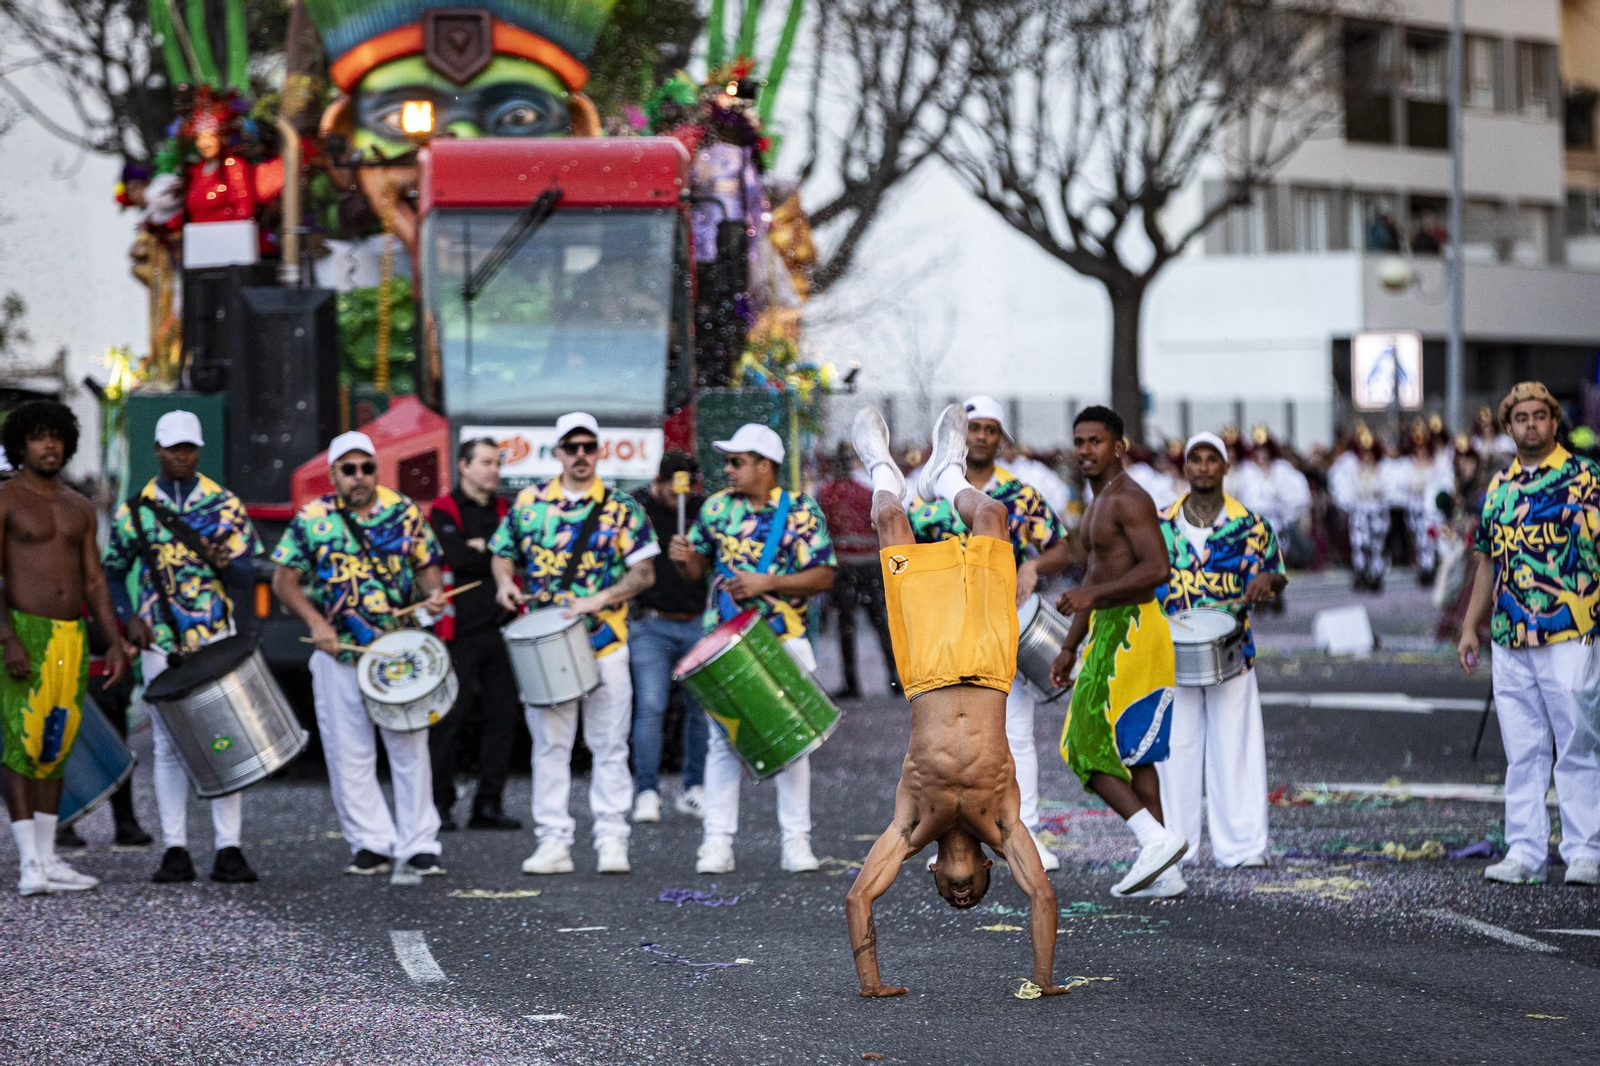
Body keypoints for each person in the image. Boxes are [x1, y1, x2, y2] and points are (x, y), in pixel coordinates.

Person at [844, 405, 1067, 999]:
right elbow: (1042, 895)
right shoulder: (1003, 822)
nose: (961, 896)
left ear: (934, 874)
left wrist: (872, 983)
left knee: (893, 525)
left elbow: (859, 896)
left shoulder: (913, 825)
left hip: (928, 669)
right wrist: (1043, 982)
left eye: (950, 894)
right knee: (993, 515)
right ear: (994, 870)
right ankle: (948, 473)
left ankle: (880, 466)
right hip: (992, 666)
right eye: (971, 894)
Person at [271, 431, 449, 878]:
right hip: (340, 652)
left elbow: (428, 567)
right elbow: (283, 581)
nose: (359, 477)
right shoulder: (312, 519)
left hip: (398, 651)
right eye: (348, 470)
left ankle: (420, 842)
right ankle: (370, 842)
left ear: (376, 469)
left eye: (366, 467)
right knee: (348, 753)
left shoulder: (403, 511)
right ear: (333, 475)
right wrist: (317, 623)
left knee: (409, 745)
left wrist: (433, 596)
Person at [907, 395, 1072, 872]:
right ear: (959, 438)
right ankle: (941, 835)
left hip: (1002, 628)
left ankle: (1028, 832)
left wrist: (1034, 565)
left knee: (1015, 735)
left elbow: (1063, 547)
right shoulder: (925, 496)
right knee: (942, 736)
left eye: (989, 430)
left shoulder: (1020, 495)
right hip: (944, 629)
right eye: (972, 428)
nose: (980, 437)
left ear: (1001, 438)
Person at [490, 412, 658, 875]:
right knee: (549, 746)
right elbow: (502, 554)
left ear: (599, 451)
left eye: (588, 446)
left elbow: (644, 573)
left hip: (606, 641)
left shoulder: (624, 507)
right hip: (545, 644)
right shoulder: (529, 503)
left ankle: (612, 839)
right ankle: (553, 842)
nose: (580, 454)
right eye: (572, 446)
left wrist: (599, 599)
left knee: (609, 744)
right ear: (558, 452)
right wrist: (505, 584)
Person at [102, 410, 263, 884]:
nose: (182, 456)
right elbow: (112, 569)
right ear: (157, 450)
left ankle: (228, 848)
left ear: (198, 450)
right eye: (173, 448)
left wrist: (225, 563)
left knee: (224, 738)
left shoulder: (224, 504)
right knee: (168, 745)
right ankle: (175, 848)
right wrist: (128, 616)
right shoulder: (135, 510)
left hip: (214, 634)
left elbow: (245, 574)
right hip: (160, 641)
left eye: (189, 448)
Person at [669, 423, 836, 875]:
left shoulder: (802, 512)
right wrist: (687, 558)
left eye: (737, 461)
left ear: (766, 466)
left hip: (784, 638)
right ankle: (717, 844)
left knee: (792, 745)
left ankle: (796, 843)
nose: (728, 469)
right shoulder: (716, 508)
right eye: (727, 461)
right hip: (723, 642)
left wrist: (770, 582)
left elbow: (824, 576)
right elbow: (696, 571)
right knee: (722, 744)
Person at [1458, 382, 1600, 887]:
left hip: (1572, 628)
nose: (1532, 425)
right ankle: (1525, 851)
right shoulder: (1498, 490)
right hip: (1510, 634)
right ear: (1509, 426)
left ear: (1555, 421)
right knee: (1523, 749)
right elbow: (1485, 561)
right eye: (1521, 418)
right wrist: (1470, 627)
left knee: (1578, 743)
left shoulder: (1586, 478)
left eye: (1541, 415)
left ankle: (1585, 851)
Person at [1048, 406, 1188, 896]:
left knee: (1080, 744)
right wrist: (1070, 644)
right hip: (1111, 625)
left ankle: (1153, 839)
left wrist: (1091, 600)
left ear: (1119, 446)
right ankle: (1167, 873)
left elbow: (1158, 570)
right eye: (1079, 441)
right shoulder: (1097, 500)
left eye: (1096, 442)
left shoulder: (1129, 498)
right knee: (1136, 753)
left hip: (1132, 628)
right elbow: (1095, 574)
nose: (1085, 451)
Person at [0, 401, 128, 895]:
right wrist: (7, 637)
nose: (49, 445)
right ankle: (29, 863)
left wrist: (113, 644)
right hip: (23, 633)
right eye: (37, 437)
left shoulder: (78, 506)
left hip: (70, 637)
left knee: (56, 742)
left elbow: (95, 581)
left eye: (56, 436)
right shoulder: (7, 499)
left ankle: (50, 858)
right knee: (22, 745)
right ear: (21, 445)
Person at [1151, 433, 1287, 895]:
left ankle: (1244, 845)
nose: (1204, 467)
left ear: (1225, 468)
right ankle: (1177, 846)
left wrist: (1268, 581)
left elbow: (1277, 571)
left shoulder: (1250, 524)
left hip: (1233, 650)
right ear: (1184, 467)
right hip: (1173, 652)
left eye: (1213, 460)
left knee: (1237, 746)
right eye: (1195, 459)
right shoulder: (1161, 523)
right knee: (1177, 750)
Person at [427, 438, 521, 832]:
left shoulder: (506, 510)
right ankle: (439, 805)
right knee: (448, 719)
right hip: (457, 633)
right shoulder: (443, 510)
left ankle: (488, 805)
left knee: (503, 719)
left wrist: (481, 549)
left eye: (497, 463)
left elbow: (518, 554)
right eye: (485, 463)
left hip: (502, 628)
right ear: (463, 466)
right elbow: (455, 557)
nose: (494, 470)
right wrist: (489, 553)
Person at [628, 451, 711, 822]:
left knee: (701, 709)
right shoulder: (637, 507)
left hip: (695, 620)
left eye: (685, 489)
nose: (678, 498)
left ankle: (694, 787)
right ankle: (646, 790)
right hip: (651, 622)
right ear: (658, 481)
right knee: (651, 706)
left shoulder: (702, 509)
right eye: (670, 488)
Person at [817, 444, 899, 700]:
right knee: (882, 624)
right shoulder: (866, 493)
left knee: (846, 626)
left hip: (843, 569)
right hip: (870, 567)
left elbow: (822, 531)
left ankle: (852, 683)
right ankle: (896, 679)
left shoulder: (826, 493)